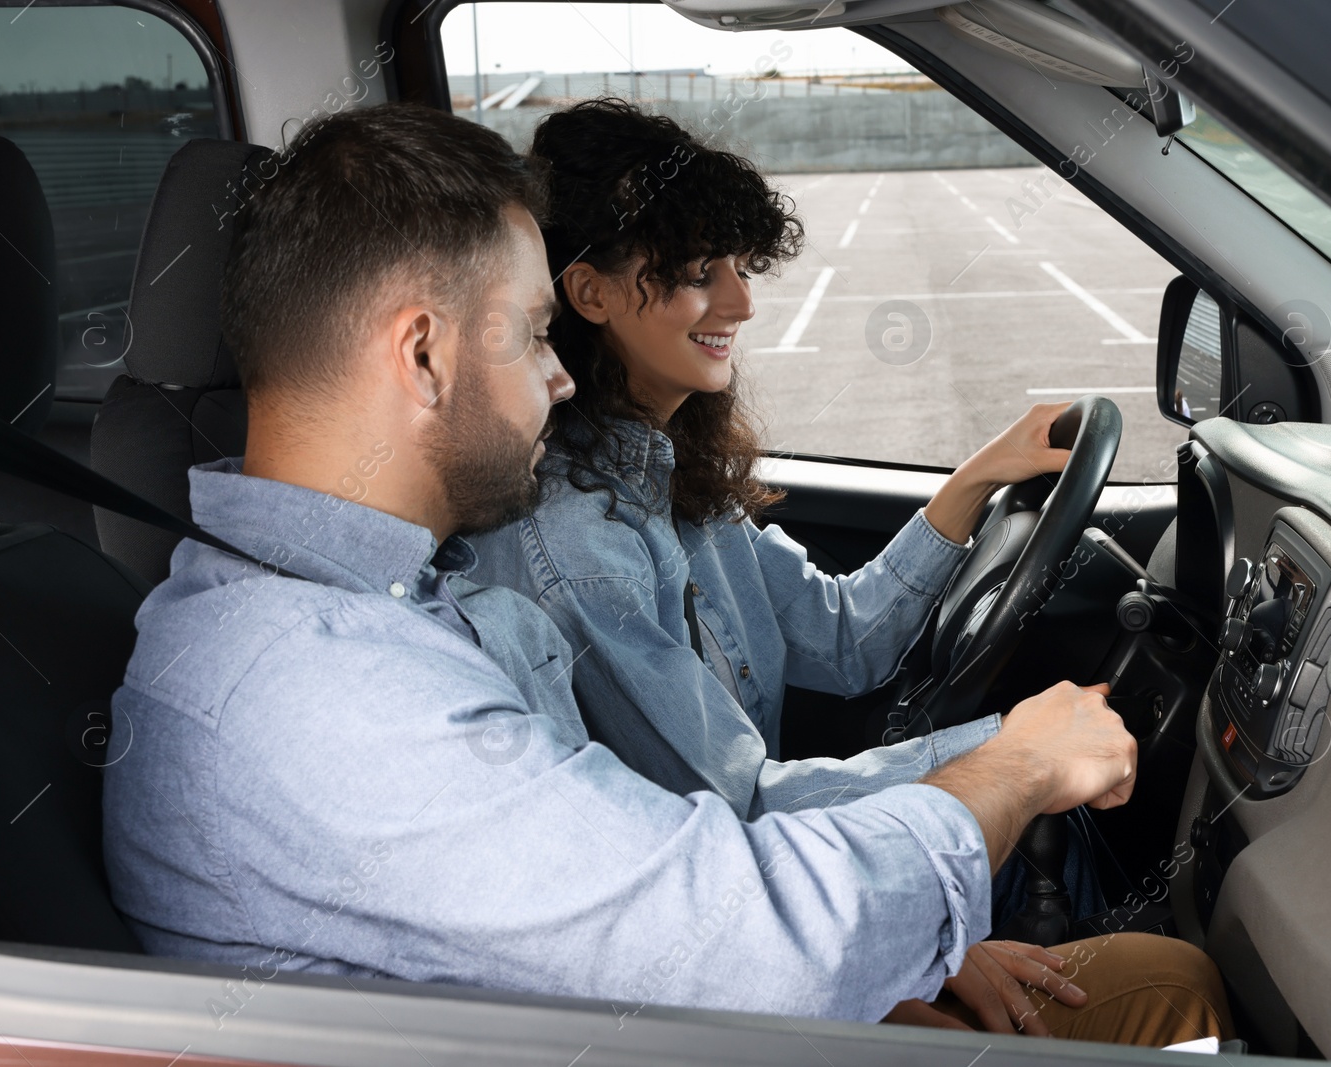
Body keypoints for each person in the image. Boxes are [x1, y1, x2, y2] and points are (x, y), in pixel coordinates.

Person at [101, 101, 1231, 1045]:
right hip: (699, 996)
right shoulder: (319, 688)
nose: (558, 379)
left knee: (1144, 977)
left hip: (639, 1005)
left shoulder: (373, 608)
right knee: (1165, 986)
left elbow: (634, 872)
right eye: (536, 334)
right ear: (425, 353)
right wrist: (1010, 767)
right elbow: (746, 945)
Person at [467, 99, 1103, 923]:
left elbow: (844, 639)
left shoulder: (671, 477)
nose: (741, 303)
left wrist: (981, 474)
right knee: (1060, 833)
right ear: (590, 292)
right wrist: (1011, 753)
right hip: (727, 900)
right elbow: (739, 807)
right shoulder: (581, 545)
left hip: (765, 868)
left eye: (738, 267)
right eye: (700, 274)